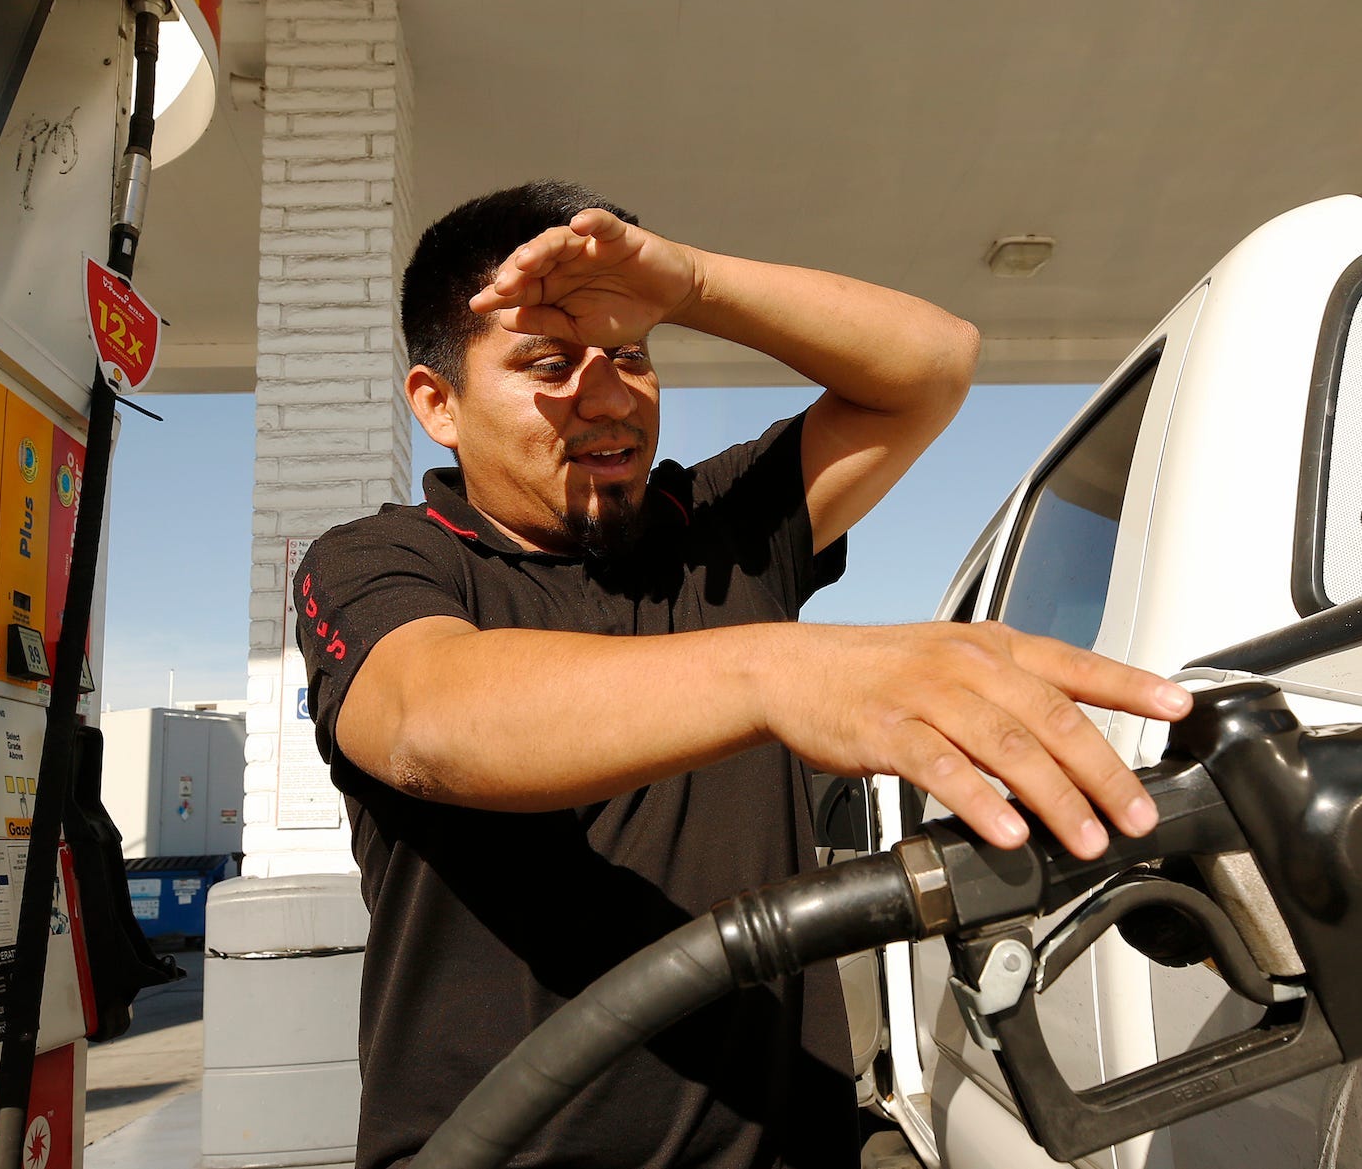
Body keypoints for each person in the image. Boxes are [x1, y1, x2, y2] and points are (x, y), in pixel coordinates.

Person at [293, 181, 1191, 1169]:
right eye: (548, 364)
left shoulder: (716, 534)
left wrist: (693, 281)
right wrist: (786, 670)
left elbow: (934, 364)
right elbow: (431, 721)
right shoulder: (378, 564)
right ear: (437, 405)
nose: (606, 395)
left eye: (629, 355)